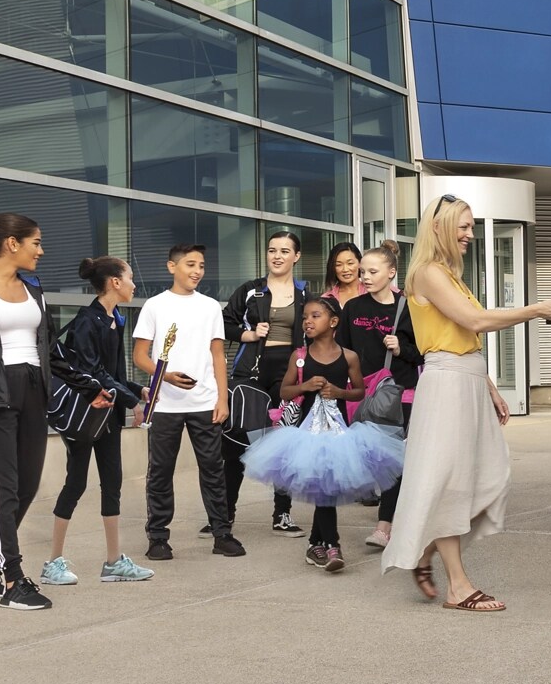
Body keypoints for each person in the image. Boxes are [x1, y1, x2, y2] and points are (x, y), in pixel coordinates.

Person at [381, 196, 551, 611]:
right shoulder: (429, 273)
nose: (470, 234)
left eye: (470, 227)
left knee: (487, 476)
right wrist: (536, 309)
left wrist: (489, 386)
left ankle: (429, 552)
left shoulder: (448, 274)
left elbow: (464, 338)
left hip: (465, 379)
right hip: (446, 384)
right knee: (450, 482)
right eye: (462, 227)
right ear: (438, 228)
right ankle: (458, 586)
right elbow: (476, 323)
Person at [0, 214, 109, 610]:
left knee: (28, 485)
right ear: (12, 243)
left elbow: (51, 348)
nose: (41, 251)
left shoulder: (34, 287)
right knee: (3, 490)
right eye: (35, 243)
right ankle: (11, 580)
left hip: (34, 392)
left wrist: (89, 386)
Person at [242, 297, 404, 573]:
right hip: (308, 437)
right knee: (324, 492)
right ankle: (332, 545)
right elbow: (284, 391)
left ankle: (316, 543)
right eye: (305, 317)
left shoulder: (348, 356)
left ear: (333, 322)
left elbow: (359, 391)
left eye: (315, 316)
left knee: (325, 490)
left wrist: (340, 392)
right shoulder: (300, 356)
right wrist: (305, 385)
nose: (307, 321)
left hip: (340, 436)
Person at [42, 257, 155, 586]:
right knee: (75, 483)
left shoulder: (113, 318)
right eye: (130, 278)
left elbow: (114, 375)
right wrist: (132, 400)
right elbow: (93, 374)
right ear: (115, 283)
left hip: (107, 413)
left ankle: (113, 562)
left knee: (113, 482)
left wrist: (138, 389)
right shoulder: (86, 321)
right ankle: (52, 563)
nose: (135, 284)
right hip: (84, 413)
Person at [137, 243, 245, 561]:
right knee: (160, 471)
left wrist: (222, 398)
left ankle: (222, 533)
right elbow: (140, 356)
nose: (197, 271)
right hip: (165, 404)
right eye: (190, 264)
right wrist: (165, 376)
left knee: (213, 469)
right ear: (172, 267)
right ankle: (157, 537)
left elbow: (217, 356)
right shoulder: (154, 306)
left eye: (201, 265)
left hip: (204, 401)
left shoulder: (211, 307)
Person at [223, 231, 307, 538]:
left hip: (289, 376)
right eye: (272, 250)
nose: (277, 256)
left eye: (285, 251)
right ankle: (224, 514)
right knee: (235, 442)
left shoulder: (305, 295)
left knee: (284, 442)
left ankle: (282, 514)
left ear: (296, 257)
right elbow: (225, 322)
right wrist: (248, 334)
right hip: (252, 373)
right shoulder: (251, 291)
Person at [340, 241, 420, 544]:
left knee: (392, 460)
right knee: (369, 458)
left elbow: (423, 352)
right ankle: (400, 511)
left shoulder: (409, 307)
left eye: (372, 271)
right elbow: (342, 351)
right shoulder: (353, 308)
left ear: (391, 272)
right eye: (363, 272)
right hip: (362, 393)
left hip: (399, 392)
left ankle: (384, 528)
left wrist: (402, 348)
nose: (365, 277)